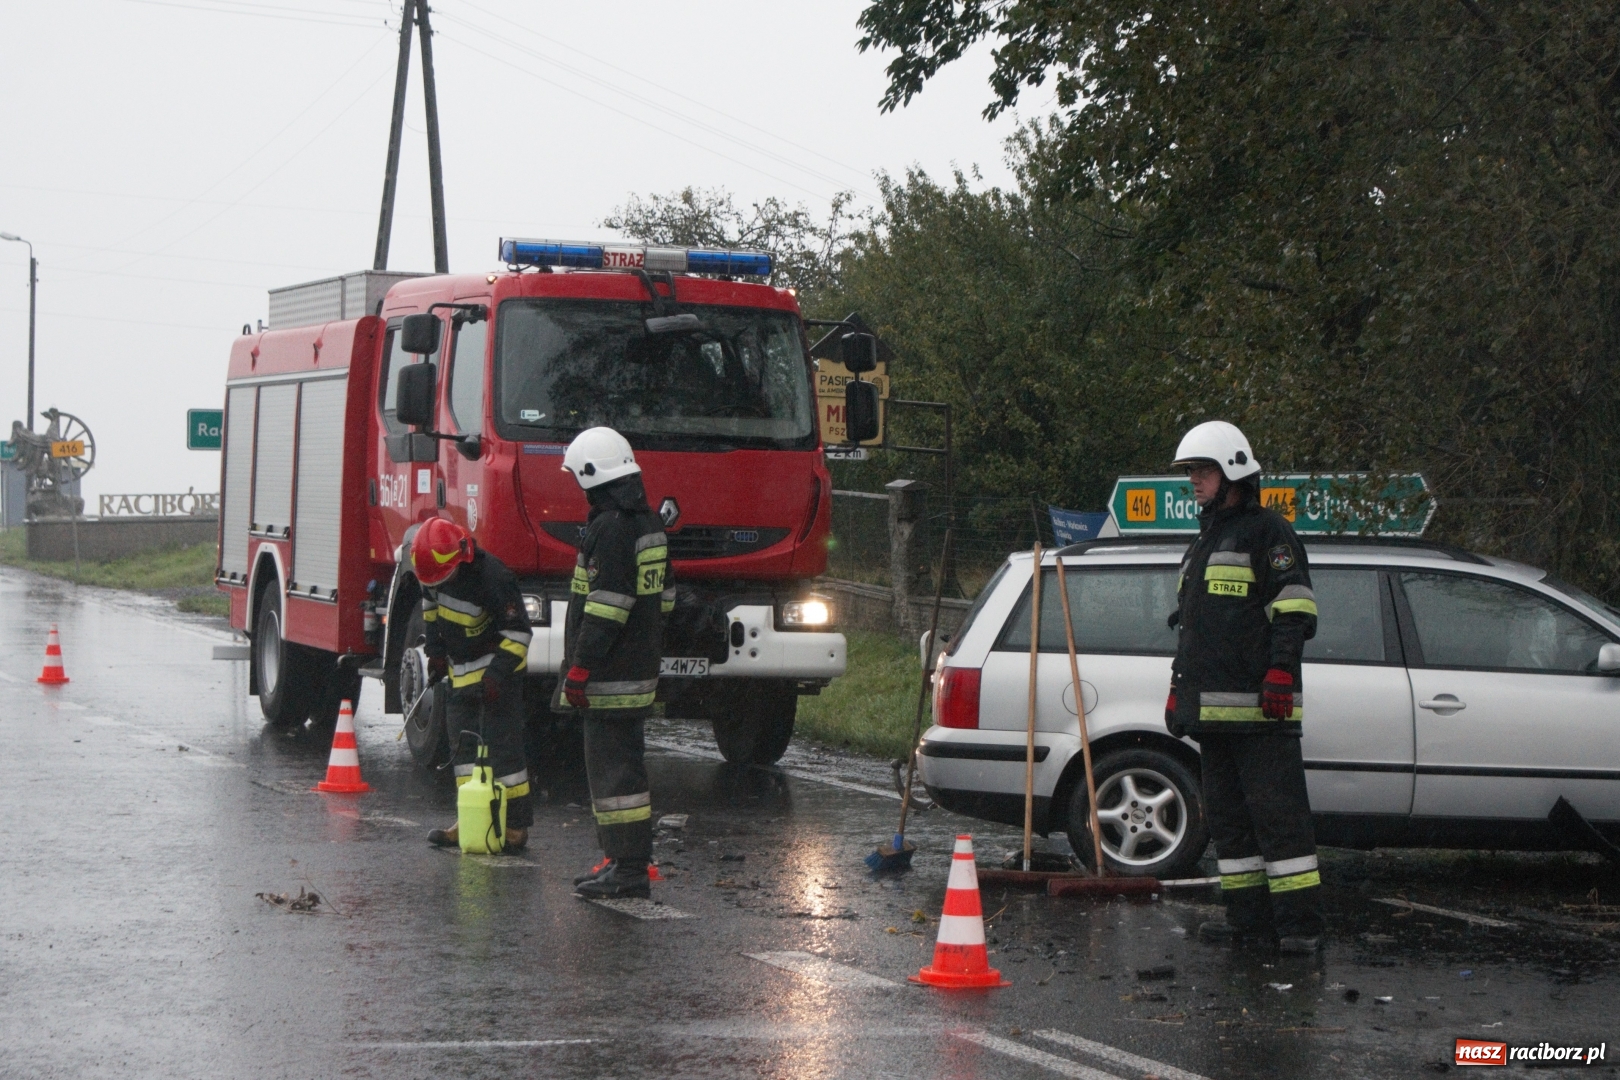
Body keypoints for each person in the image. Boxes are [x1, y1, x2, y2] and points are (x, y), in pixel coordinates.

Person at [1164, 421, 1323, 954]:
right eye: (1191, 473)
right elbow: (1194, 628)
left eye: (1202, 471)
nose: (1194, 482)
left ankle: (1299, 929)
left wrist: (1281, 673)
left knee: (1280, 825)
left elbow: (1294, 611)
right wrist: (1178, 689)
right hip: (1213, 716)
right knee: (1230, 826)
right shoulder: (1204, 543)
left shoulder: (1268, 535)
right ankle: (1248, 923)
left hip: (1263, 714)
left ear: (1233, 472)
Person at [559, 426, 672, 900]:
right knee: (626, 769)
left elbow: (605, 608)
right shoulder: (649, 524)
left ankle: (626, 870)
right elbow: (662, 601)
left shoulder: (609, 529)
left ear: (592, 475)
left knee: (614, 777)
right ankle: (622, 860)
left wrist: (581, 668)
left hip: (607, 676)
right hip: (637, 668)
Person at [412, 517, 534, 851]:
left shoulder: (492, 577)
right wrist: (436, 654)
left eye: (444, 577)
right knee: (463, 754)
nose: (440, 584)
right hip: (460, 672)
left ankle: (515, 827)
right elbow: (432, 610)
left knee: (504, 755)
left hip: (499, 675)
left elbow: (519, 633)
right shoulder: (432, 571)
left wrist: (496, 677)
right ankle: (471, 819)